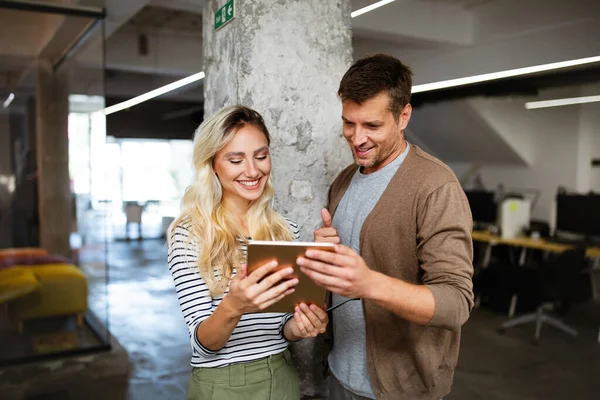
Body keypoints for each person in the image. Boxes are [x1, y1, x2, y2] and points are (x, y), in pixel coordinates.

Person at [297, 54, 474, 400]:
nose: (357, 138)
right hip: (338, 373)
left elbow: (456, 303)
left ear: (403, 115)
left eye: (372, 126)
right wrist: (325, 252)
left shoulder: (435, 186)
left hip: (400, 389)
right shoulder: (345, 181)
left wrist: (369, 283)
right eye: (349, 123)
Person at [167, 105, 329, 400]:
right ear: (212, 163)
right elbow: (204, 344)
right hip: (223, 384)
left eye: (261, 156)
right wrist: (235, 304)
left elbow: (280, 331)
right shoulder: (190, 235)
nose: (253, 171)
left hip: (282, 376)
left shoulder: (284, 230)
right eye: (235, 159)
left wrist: (301, 326)